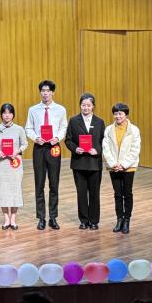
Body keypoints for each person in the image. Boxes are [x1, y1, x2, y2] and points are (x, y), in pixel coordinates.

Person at [24, 79, 67, 230]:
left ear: (53, 92)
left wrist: (58, 137)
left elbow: (63, 127)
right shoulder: (33, 110)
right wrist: (36, 138)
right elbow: (28, 128)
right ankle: (41, 218)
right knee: (39, 184)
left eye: (48, 91)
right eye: (43, 91)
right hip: (39, 148)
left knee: (54, 184)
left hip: (54, 148)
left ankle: (53, 217)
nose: (45, 93)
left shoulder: (60, 110)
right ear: (40, 92)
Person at [64, 93, 106, 230]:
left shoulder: (100, 122)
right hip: (79, 162)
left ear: (93, 106)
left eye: (88, 105)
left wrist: (97, 150)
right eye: (83, 105)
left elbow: (104, 141)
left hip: (94, 163)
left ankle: (94, 221)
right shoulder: (73, 121)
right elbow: (68, 140)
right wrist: (75, 149)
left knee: (94, 193)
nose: (86, 108)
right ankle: (83, 220)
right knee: (81, 193)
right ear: (80, 106)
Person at [102, 102, 141, 234]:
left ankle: (127, 220)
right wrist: (113, 164)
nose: (118, 116)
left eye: (120, 114)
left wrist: (123, 164)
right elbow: (106, 148)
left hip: (128, 167)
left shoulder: (134, 130)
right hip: (113, 167)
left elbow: (135, 150)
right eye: (115, 114)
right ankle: (119, 219)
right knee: (117, 194)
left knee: (127, 193)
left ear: (126, 115)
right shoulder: (108, 129)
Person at [0, 103, 28, 230]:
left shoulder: (19, 129)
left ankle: (13, 219)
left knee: (15, 189)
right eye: (4, 113)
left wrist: (17, 151)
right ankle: (6, 219)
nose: (7, 115)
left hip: (15, 163)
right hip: (1, 164)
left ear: (13, 115)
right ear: (1, 115)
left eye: (9, 113)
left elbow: (24, 144)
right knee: (3, 190)